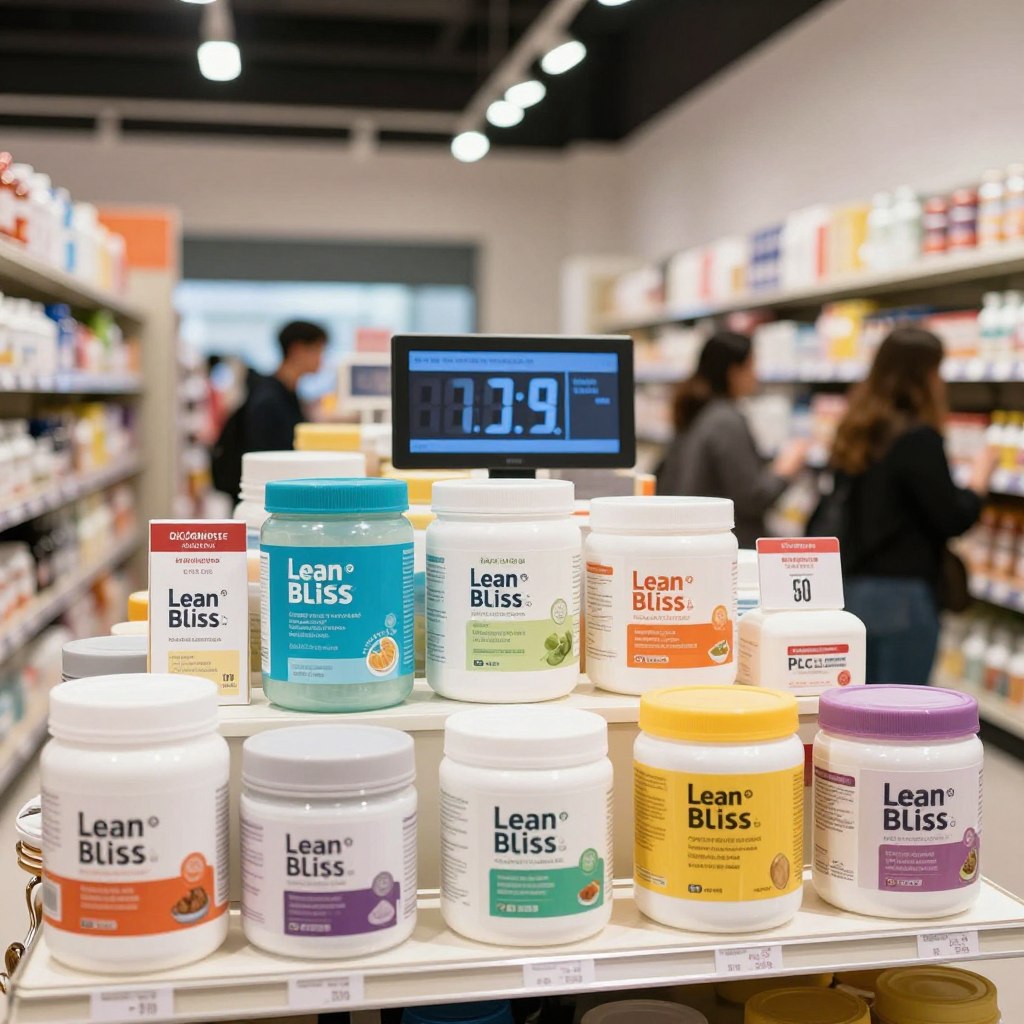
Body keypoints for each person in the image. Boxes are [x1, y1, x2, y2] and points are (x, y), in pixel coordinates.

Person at [827, 326, 996, 684]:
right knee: (901, 717)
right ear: (923, 377)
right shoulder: (918, 438)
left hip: (852, 590)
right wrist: (979, 481)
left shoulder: (858, 428)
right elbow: (951, 518)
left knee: (859, 709)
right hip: (903, 599)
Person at [657, 330, 808, 547]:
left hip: (695, 540)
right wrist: (785, 470)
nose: (756, 374)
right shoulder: (725, 421)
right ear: (733, 372)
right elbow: (753, 498)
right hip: (726, 547)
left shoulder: (696, 410)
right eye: (751, 365)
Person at [210, 320, 329, 498]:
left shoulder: (286, 392)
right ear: (297, 350)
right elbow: (266, 457)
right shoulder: (269, 399)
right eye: (319, 350)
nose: (322, 359)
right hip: (265, 499)